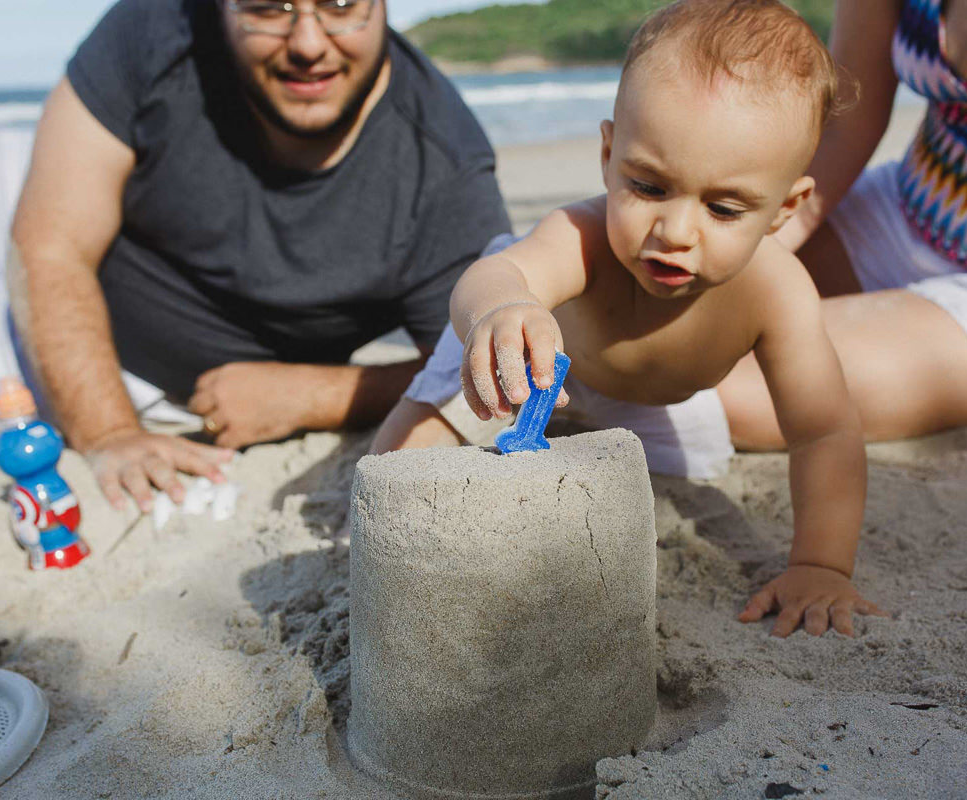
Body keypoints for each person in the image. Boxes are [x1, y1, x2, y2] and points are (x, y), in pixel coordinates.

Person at [370, 0, 887, 638]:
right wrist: (504, 308)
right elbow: (493, 277)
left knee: (690, 465)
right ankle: (384, 543)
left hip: (634, 395)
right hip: (525, 344)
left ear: (785, 208)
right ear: (610, 154)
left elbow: (823, 432)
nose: (674, 231)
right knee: (416, 443)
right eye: (648, 187)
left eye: (724, 209)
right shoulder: (584, 237)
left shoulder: (779, 291)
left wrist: (821, 564)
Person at [0, 0, 509, 510]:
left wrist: (312, 395)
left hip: (120, 363)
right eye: (267, 8)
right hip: (34, 190)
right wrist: (108, 434)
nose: (308, 43)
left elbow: (480, 375)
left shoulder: (445, 171)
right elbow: (50, 246)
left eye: (340, 5)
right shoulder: (159, 25)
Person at [717, 0, 967, 449]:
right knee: (654, 304)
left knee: (733, 392)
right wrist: (743, 247)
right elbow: (844, 127)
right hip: (901, 212)